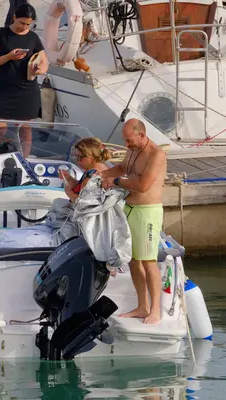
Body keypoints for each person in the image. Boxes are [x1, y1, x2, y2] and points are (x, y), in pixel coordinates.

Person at [98, 118, 167, 325]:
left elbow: (144, 185)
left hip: (148, 212)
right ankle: (142, 306)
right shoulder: (133, 149)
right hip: (130, 208)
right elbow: (122, 168)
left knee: (149, 262)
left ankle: (155, 310)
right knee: (134, 261)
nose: (126, 144)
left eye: (129, 140)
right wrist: (100, 173)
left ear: (142, 135)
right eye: (125, 141)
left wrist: (115, 182)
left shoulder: (156, 154)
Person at [0, 3, 48, 158]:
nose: (24, 27)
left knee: (26, 130)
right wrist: (9, 56)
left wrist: (38, 70)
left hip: (27, 90)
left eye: (28, 24)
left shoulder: (33, 37)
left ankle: (24, 160)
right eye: (22, 23)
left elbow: (44, 62)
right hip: (3, 90)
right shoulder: (1, 34)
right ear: (14, 17)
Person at [60, 137, 112, 203]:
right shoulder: (104, 169)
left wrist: (69, 193)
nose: (77, 160)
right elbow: (82, 187)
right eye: (76, 156)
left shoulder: (92, 175)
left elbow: (81, 203)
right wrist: (69, 178)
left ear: (91, 156)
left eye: (80, 157)